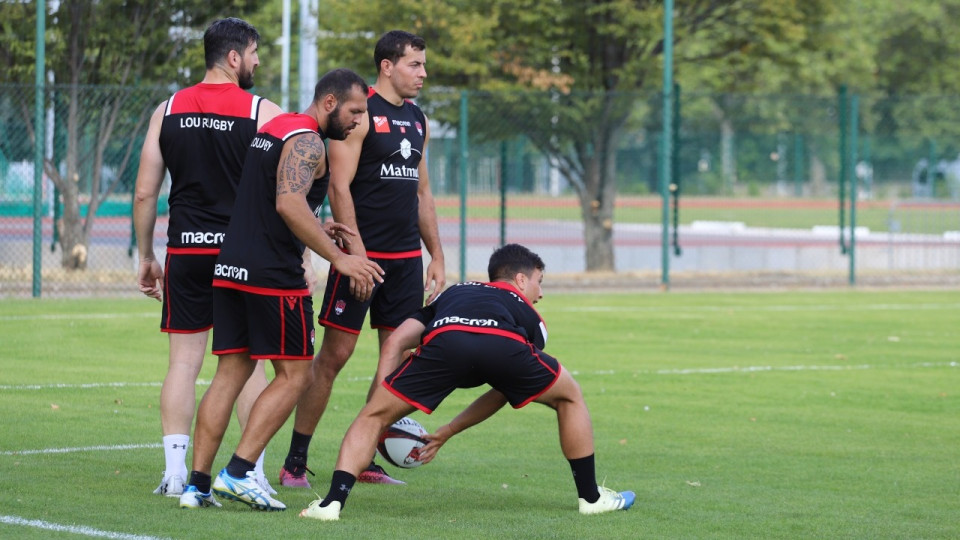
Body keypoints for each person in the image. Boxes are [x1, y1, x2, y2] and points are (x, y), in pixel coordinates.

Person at [299, 244, 635, 521]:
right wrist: (450, 430)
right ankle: (591, 498)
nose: (541, 293)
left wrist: (381, 407)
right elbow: (505, 389)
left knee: (369, 417)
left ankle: (331, 503)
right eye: (539, 282)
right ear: (520, 280)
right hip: (502, 342)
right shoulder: (532, 317)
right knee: (570, 396)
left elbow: (395, 342)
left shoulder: (454, 292)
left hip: (446, 339)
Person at [178, 68, 386, 512]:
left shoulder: (275, 127)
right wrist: (340, 258)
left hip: (231, 267)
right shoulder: (309, 141)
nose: (359, 122)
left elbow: (272, 201)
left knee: (230, 373)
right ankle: (238, 473)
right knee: (297, 376)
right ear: (329, 103)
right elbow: (288, 202)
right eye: (354, 111)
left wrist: (317, 227)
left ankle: (196, 487)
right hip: (271, 275)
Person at [279, 29, 445, 488]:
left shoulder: (418, 119)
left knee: (396, 358)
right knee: (335, 356)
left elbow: (423, 193)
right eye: (415, 64)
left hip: (406, 262)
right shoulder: (359, 111)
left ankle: (364, 456)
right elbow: (338, 187)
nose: (423, 73)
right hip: (362, 259)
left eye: (424, 64)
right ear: (387, 66)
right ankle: (295, 461)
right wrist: (357, 256)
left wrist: (436, 255)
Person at [133, 17, 288, 498]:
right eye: (254, 53)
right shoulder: (263, 111)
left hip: (186, 251)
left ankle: (174, 473)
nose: (257, 62)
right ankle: (251, 472)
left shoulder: (168, 109)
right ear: (234, 57)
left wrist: (146, 255)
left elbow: (144, 193)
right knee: (248, 364)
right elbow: (289, 187)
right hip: (242, 254)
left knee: (183, 363)